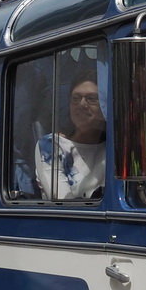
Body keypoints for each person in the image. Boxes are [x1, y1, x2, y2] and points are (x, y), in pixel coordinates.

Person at [37, 72, 107, 201]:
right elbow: (62, 201)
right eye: (75, 98)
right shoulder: (52, 145)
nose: (82, 105)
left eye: (91, 99)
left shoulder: (115, 148)